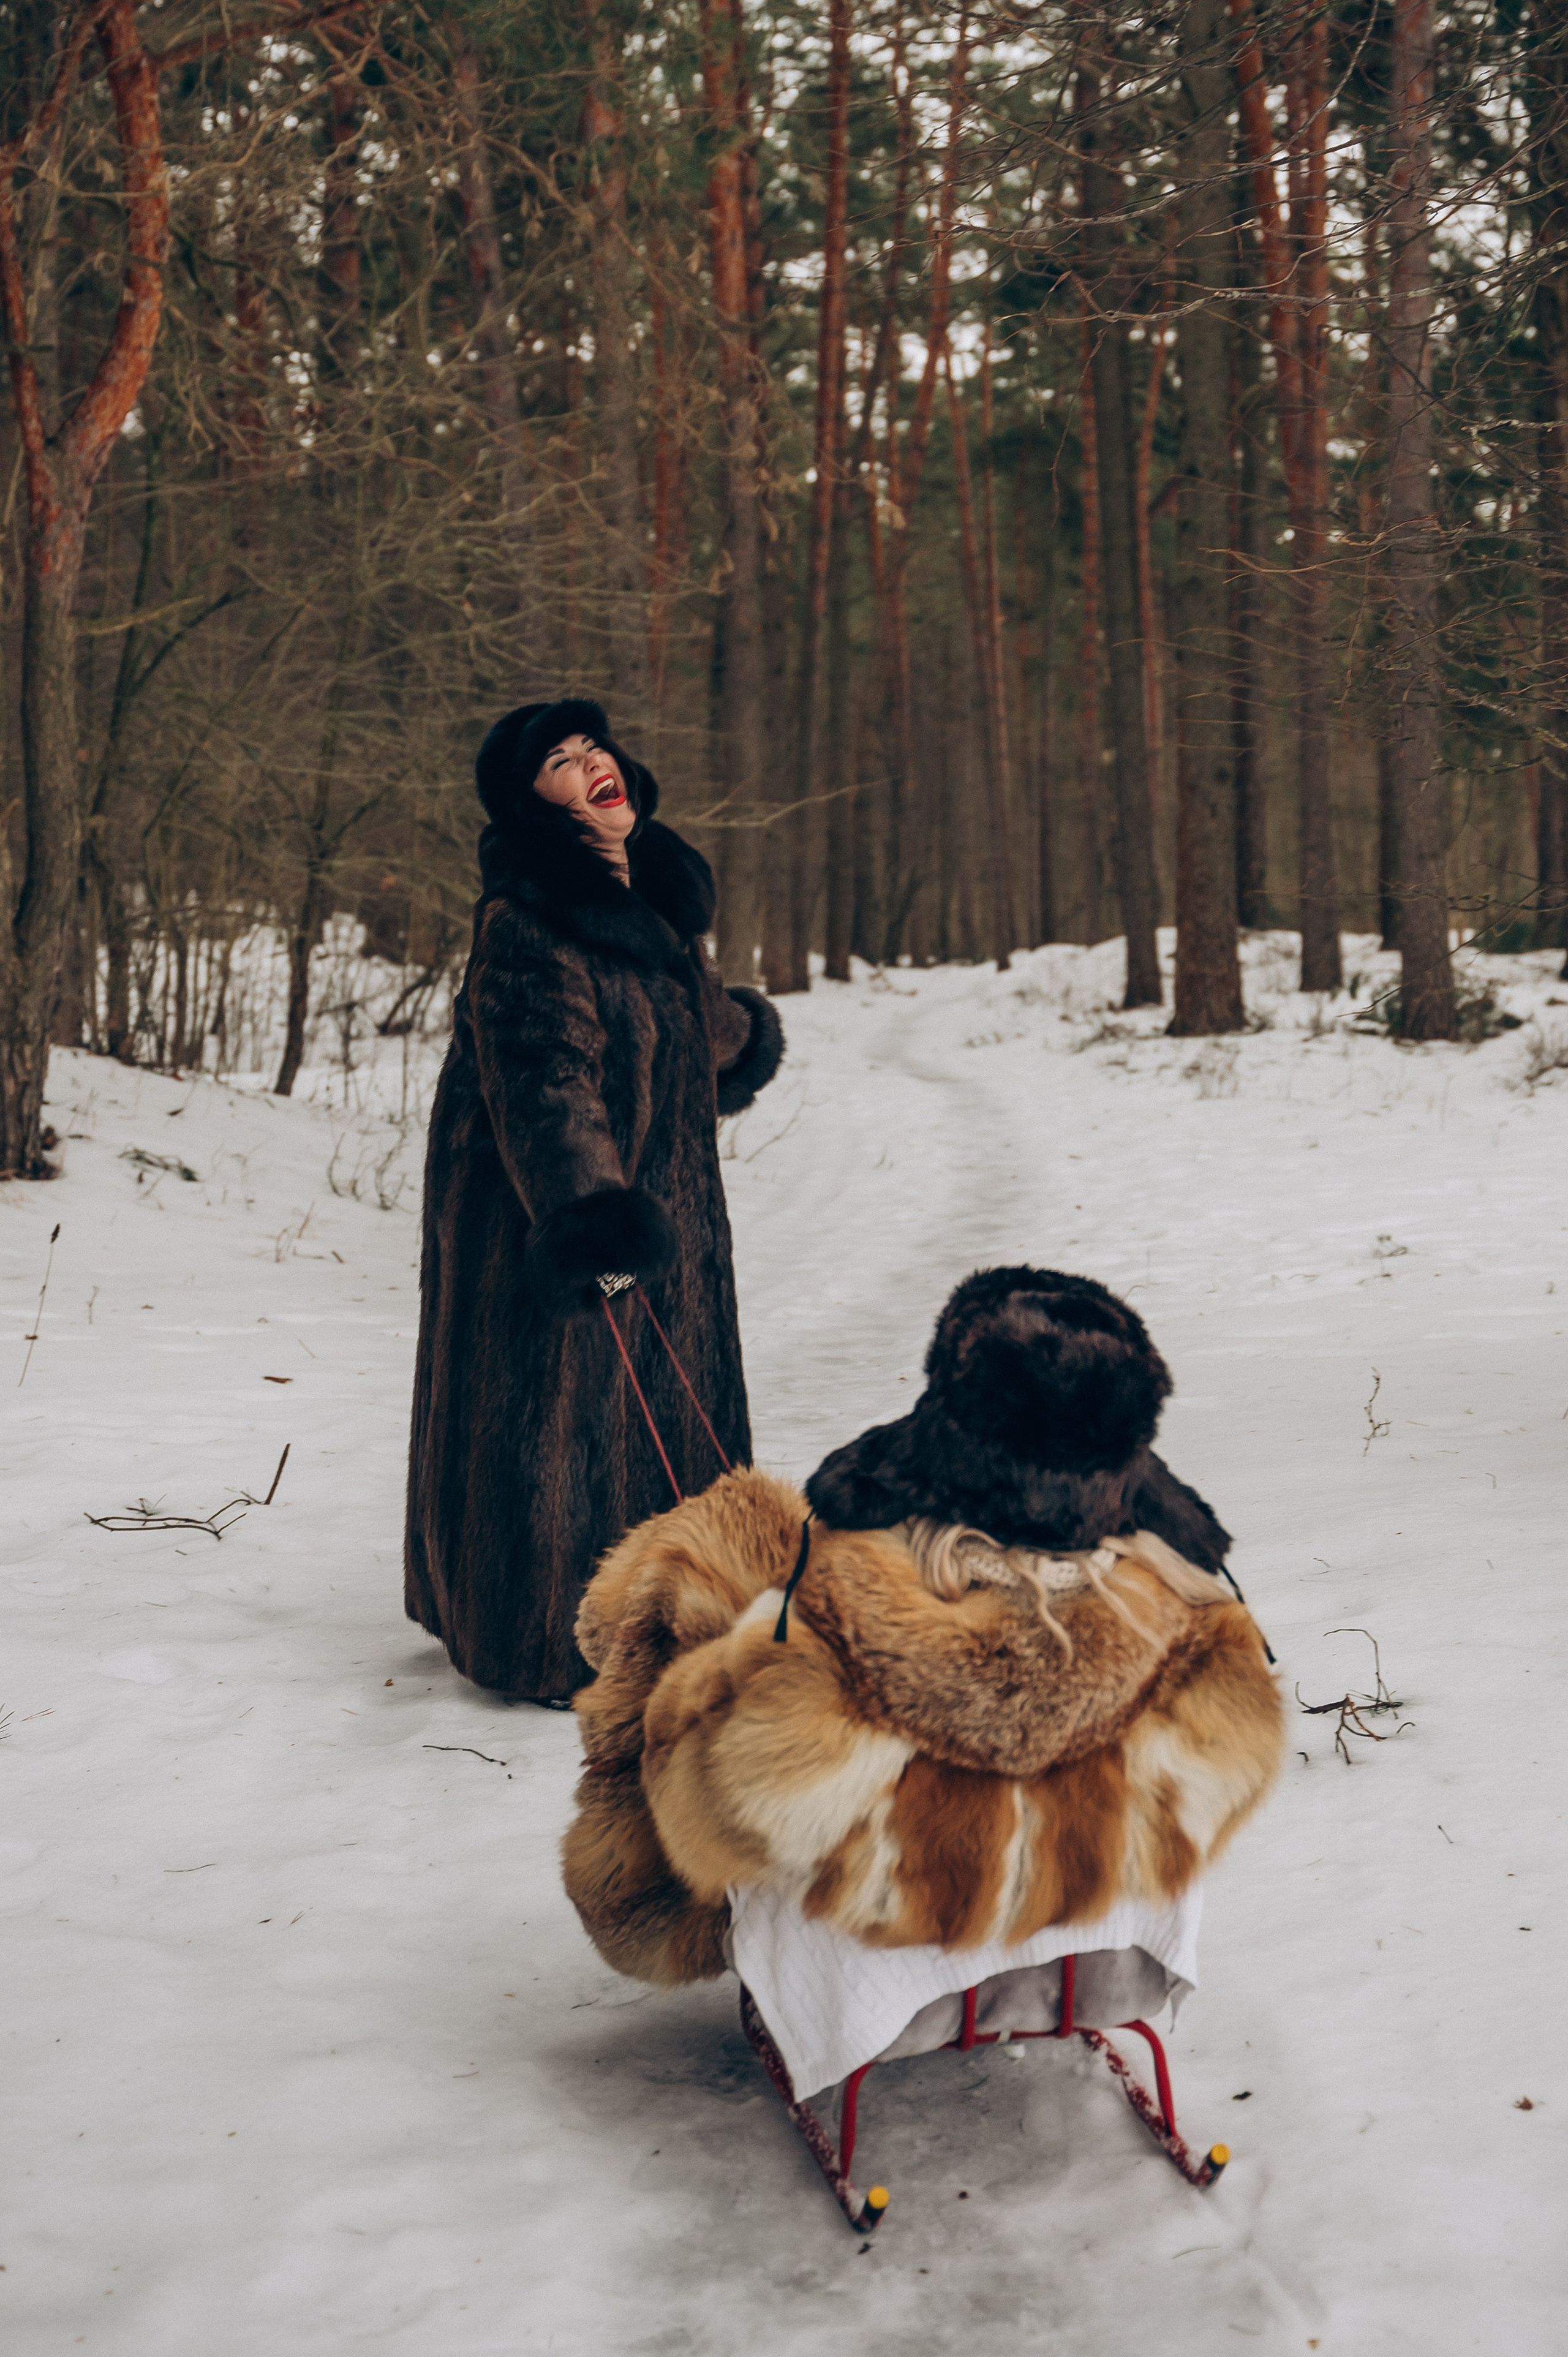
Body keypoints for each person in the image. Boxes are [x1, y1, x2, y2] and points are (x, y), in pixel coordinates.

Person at [562, 1265, 1282, 2008]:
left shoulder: (835, 1625)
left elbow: (720, 1806)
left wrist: (687, 1694)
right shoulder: (1199, 1633)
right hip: (1103, 1947)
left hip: (896, 1933)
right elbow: (1229, 1777)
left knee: (707, 1572)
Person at [405, 696, 784, 1703]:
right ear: (539, 808)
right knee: (559, 1419)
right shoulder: (526, 922)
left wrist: (744, 1035)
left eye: (594, 747)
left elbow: (689, 1033)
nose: (591, 764)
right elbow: (544, 1079)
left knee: (663, 1416)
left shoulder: (647, 909)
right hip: (553, 1219)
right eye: (561, 764)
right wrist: (589, 1217)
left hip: (658, 1220)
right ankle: (540, 1638)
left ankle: (680, 1612)